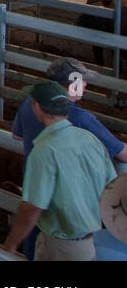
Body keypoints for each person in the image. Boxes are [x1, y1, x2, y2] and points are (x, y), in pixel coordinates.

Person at [11, 56, 127, 259]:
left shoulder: (29, 104)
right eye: (82, 82)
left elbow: (17, 135)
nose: (85, 85)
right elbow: (122, 155)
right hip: (69, 217)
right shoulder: (83, 120)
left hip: (39, 205)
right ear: (73, 86)